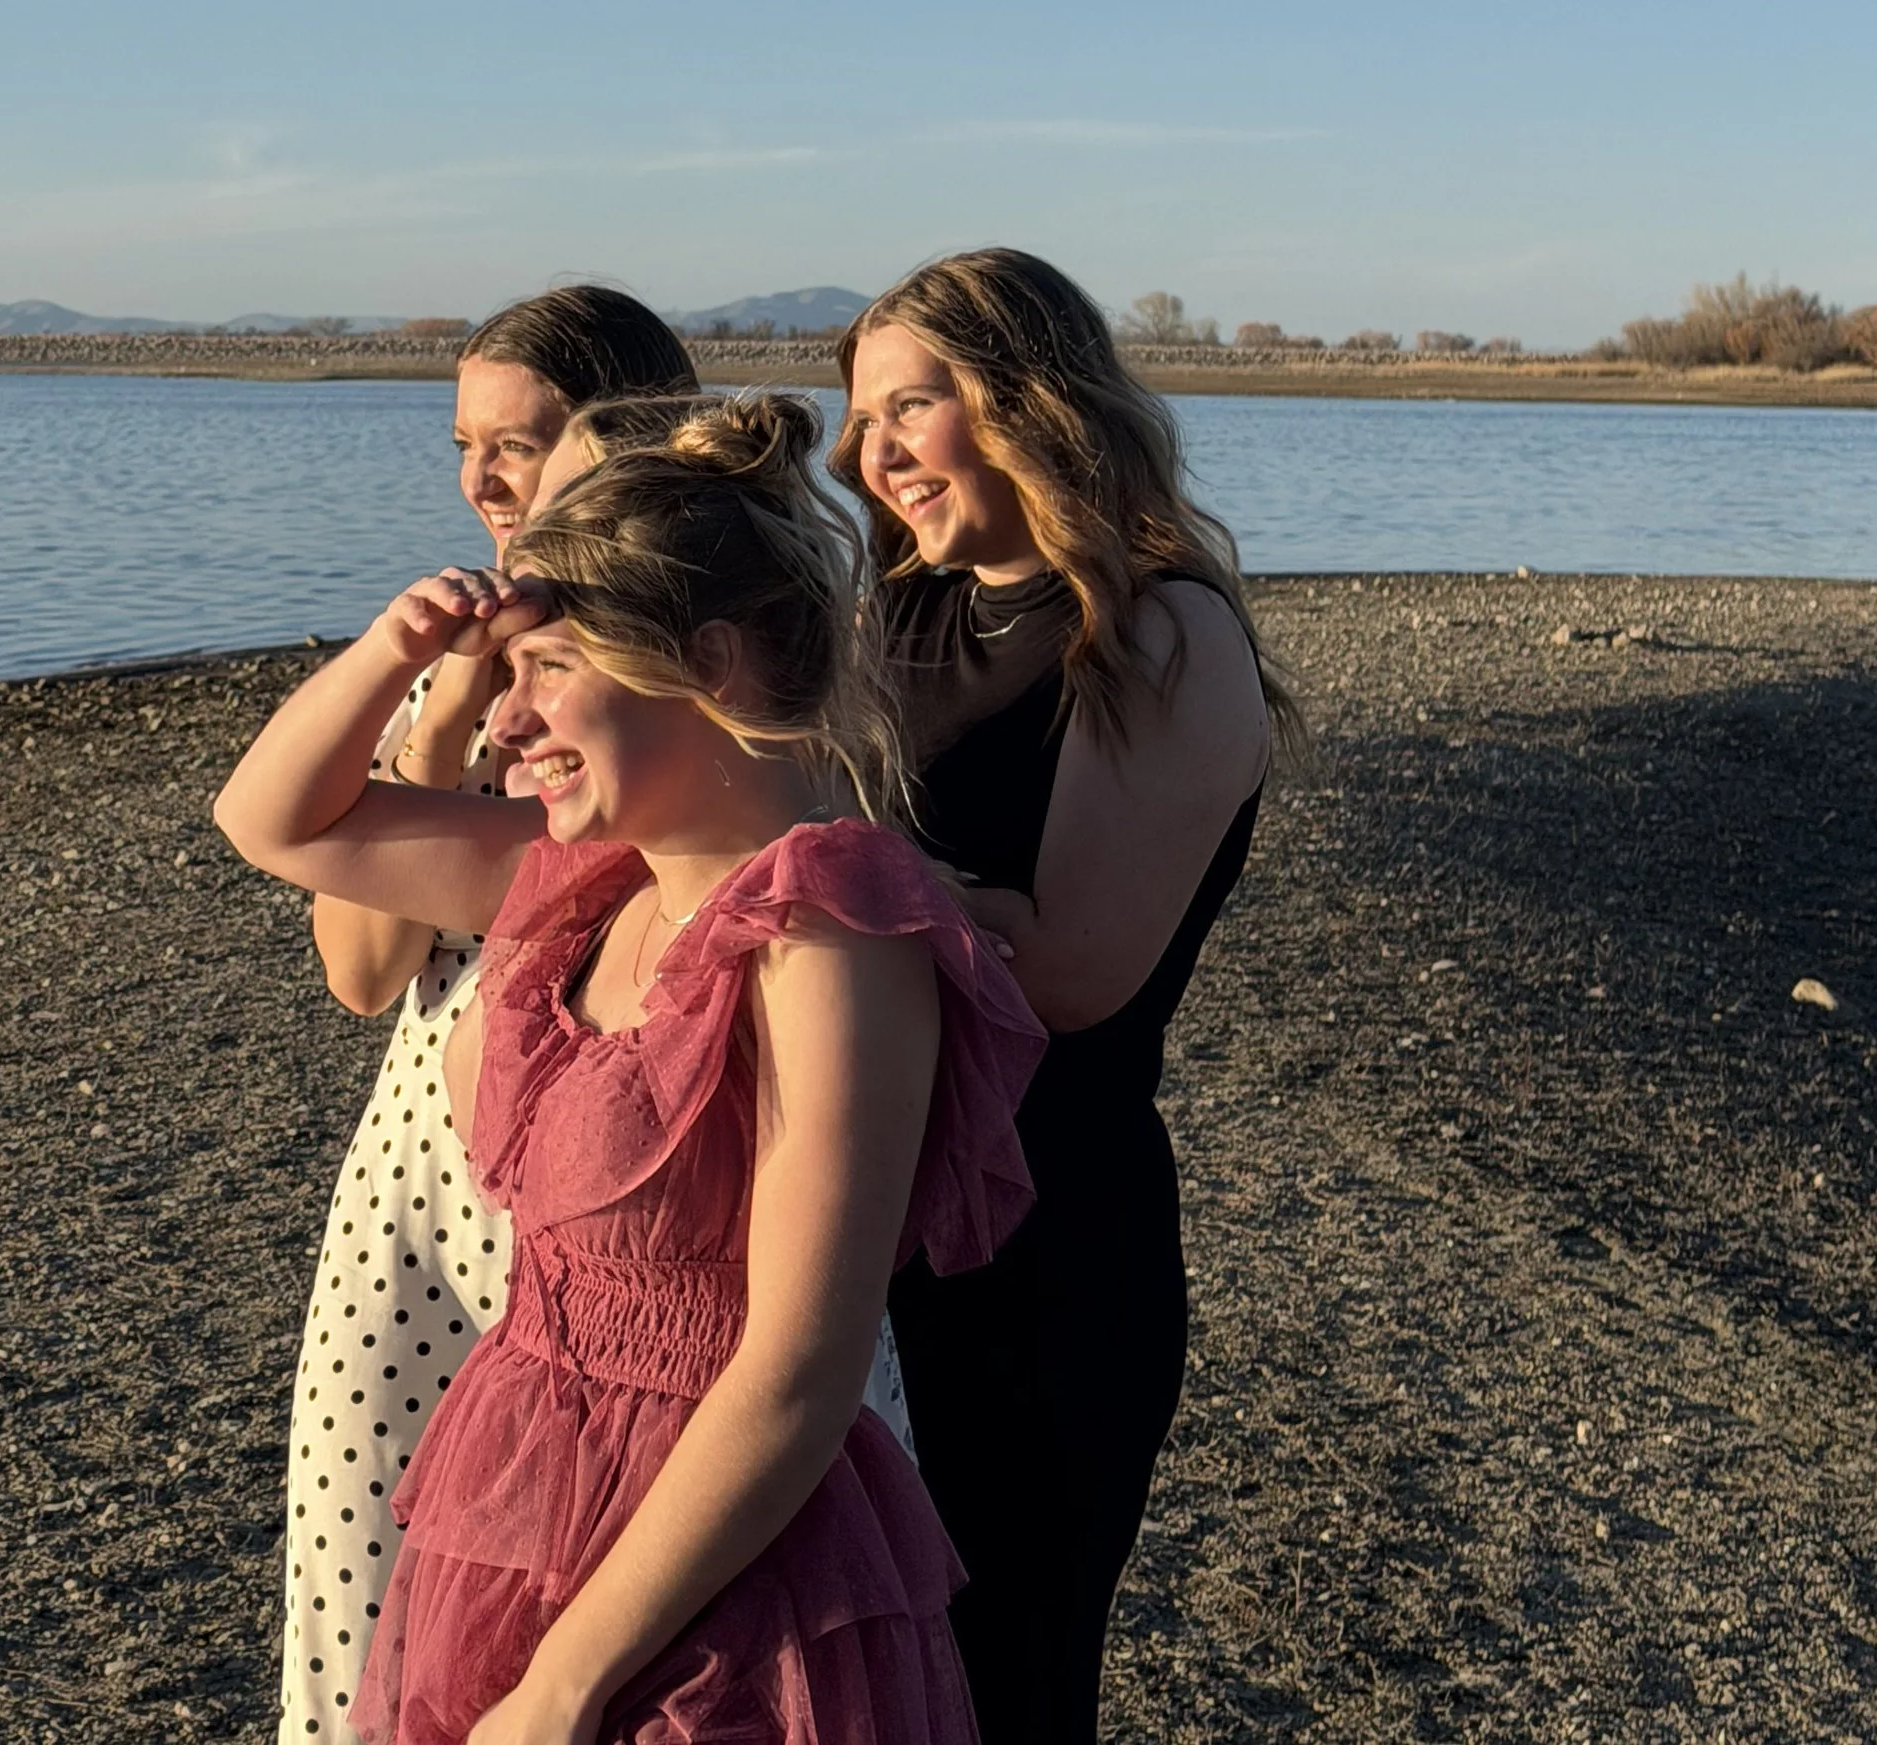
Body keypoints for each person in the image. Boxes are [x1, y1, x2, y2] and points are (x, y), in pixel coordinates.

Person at [215, 393, 1043, 1745]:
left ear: (706, 664)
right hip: (519, 1500)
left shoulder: (827, 942)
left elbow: (798, 1368)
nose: (501, 728)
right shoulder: (580, 891)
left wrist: (563, 1685)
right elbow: (272, 820)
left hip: (719, 1577)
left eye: (548, 671)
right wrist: (401, 646)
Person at [832, 251, 1304, 1745]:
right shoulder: (886, 617)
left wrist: (806, 874)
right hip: (847, 1222)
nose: (878, 450)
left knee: (1006, 1688)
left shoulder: (1158, 632)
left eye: (919, 404)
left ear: (1035, 403)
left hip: (1045, 1247)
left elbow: (1073, 969)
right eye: (862, 418)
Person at [279, 288, 695, 1745]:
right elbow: (363, 968)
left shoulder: (679, 646)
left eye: (518, 442)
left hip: (610, 1185)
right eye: (465, 443)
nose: (482, 479)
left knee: (586, 1588)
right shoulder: (476, 645)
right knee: (366, 1569)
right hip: (420, 1179)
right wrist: (450, 695)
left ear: (628, 439)